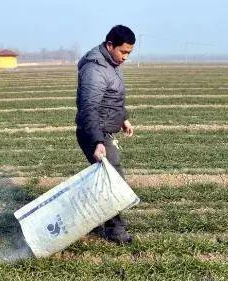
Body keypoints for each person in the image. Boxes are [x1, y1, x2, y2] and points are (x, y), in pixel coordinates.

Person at [75, 25, 136, 244]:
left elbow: (113, 96)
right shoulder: (95, 69)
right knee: (113, 181)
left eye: (129, 53)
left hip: (104, 131)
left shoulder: (111, 63)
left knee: (108, 180)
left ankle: (106, 222)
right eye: (123, 51)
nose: (126, 57)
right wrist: (97, 141)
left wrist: (123, 118)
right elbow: (89, 107)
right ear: (110, 45)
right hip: (95, 133)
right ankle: (115, 231)